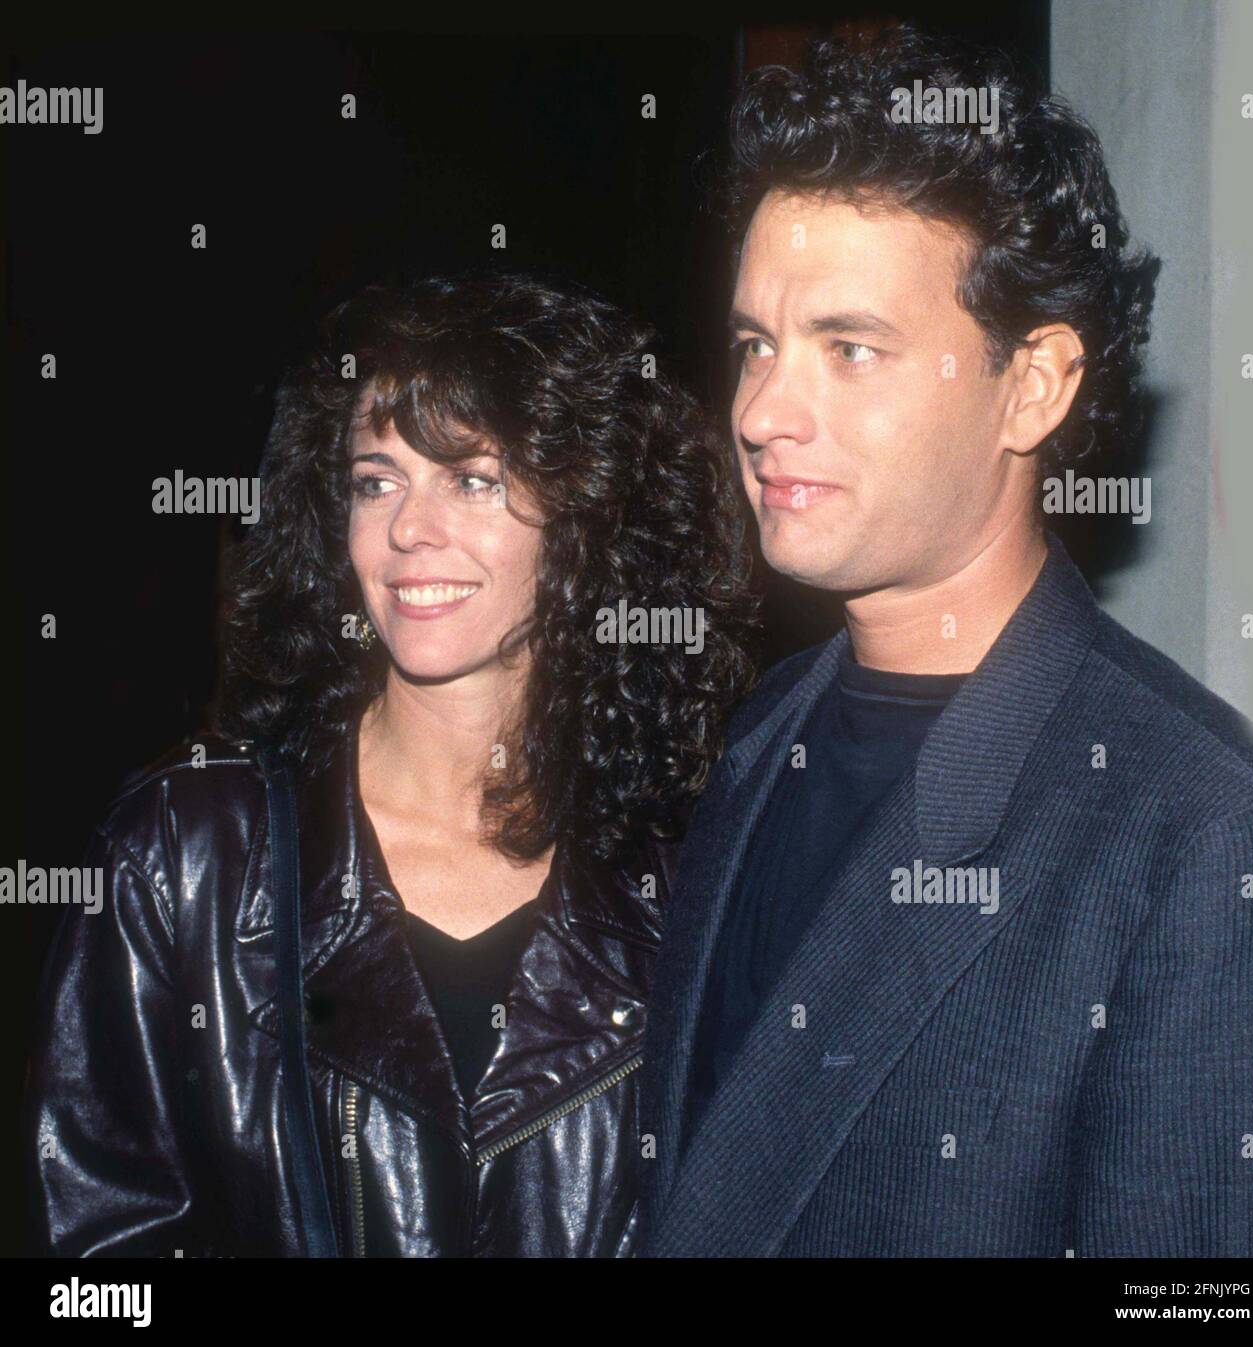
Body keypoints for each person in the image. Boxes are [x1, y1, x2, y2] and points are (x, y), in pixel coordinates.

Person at [638, 28, 1253, 1257]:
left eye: (848, 349)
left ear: (1033, 385)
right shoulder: (759, 727)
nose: (763, 413)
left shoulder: (1210, 839)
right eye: (753, 347)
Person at [26, 271, 756, 1257]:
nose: (410, 530)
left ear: (588, 516)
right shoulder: (183, 854)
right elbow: (100, 1255)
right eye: (376, 481)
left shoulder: (696, 871)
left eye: (470, 478)